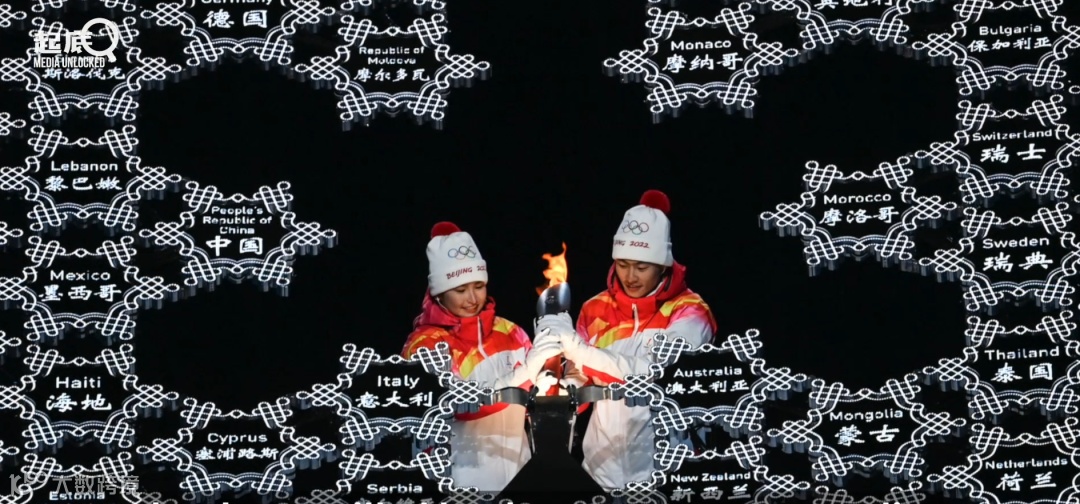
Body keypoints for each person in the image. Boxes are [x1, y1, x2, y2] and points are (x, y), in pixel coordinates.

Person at [536, 189, 717, 490]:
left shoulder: (691, 311)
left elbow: (651, 375)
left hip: (665, 471)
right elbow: (581, 376)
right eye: (622, 264)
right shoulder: (595, 308)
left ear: (663, 265)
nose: (630, 276)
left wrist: (579, 350)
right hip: (601, 471)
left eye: (642, 267)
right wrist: (561, 391)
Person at [401, 221, 562, 494]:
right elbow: (461, 405)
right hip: (457, 482)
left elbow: (539, 402)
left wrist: (557, 381)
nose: (472, 298)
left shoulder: (510, 331)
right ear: (439, 293)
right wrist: (524, 377)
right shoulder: (425, 344)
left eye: (478, 286)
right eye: (460, 290)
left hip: (518, 476)